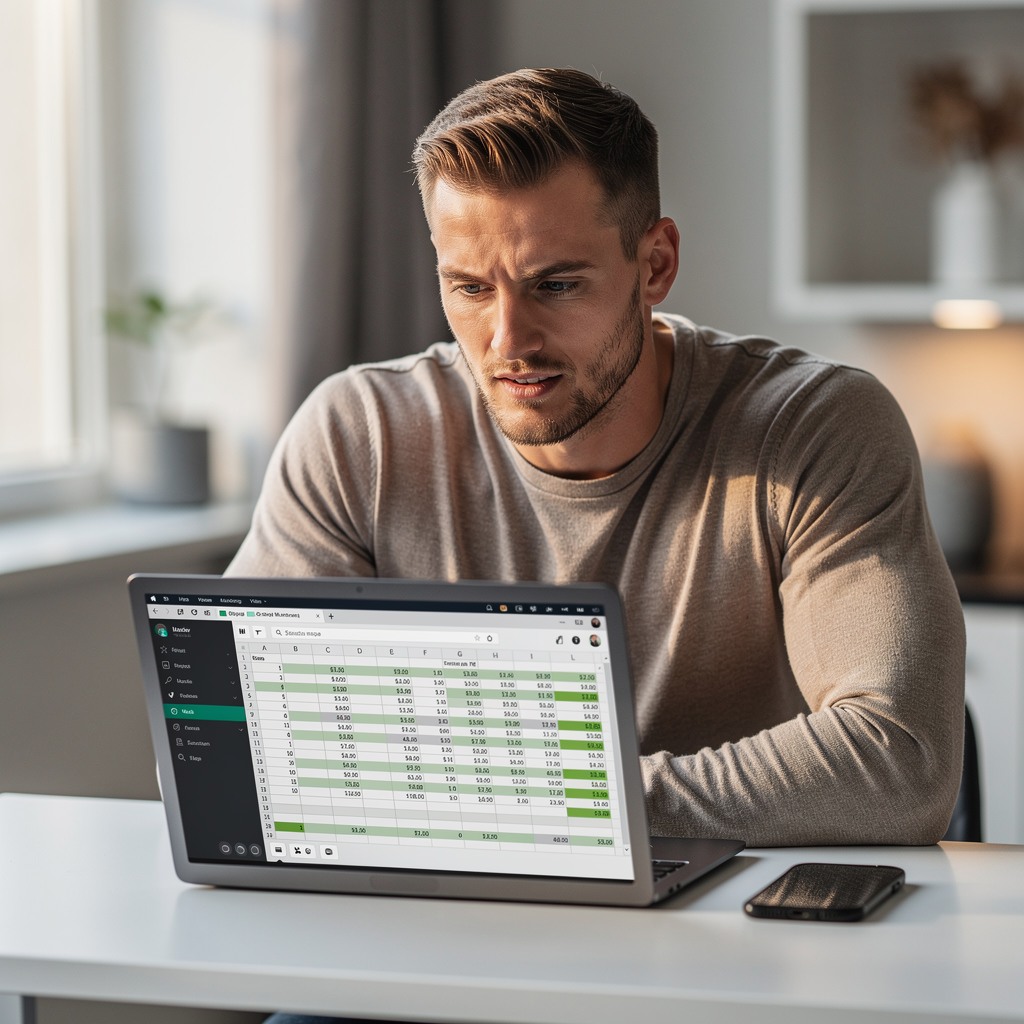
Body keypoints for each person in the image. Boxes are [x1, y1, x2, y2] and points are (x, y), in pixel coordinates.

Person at [228, 67, 965, 854]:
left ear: (654, 265)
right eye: (470, 288)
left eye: (556, 284)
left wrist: (546, 813)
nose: (507, 341)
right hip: (446, 928)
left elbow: (899, 763)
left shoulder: (812, 427)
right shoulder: (358, 436)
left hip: (741, 937)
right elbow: (237, 757)